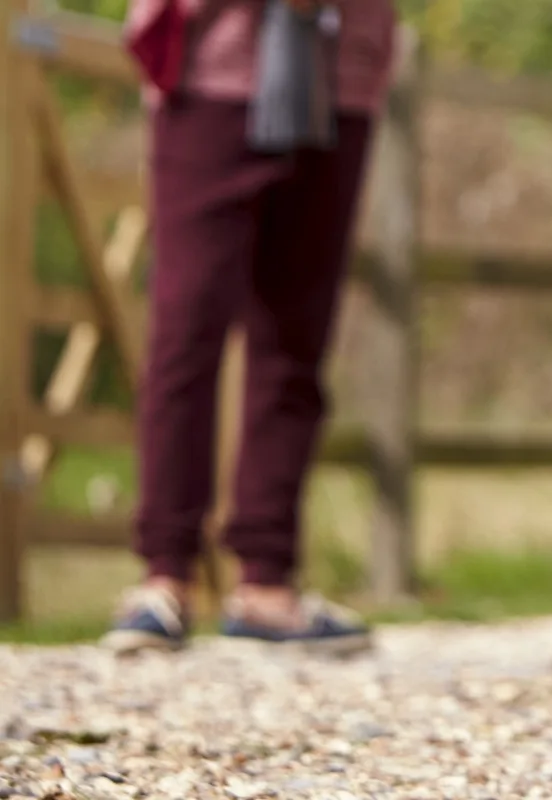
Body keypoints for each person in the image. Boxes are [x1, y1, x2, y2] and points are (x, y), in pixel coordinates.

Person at [101, 0, 399, 656]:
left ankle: (267, 582)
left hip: (339, 72)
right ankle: (164, 575)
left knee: (297, 336)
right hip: (215, 69)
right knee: (187, 329)